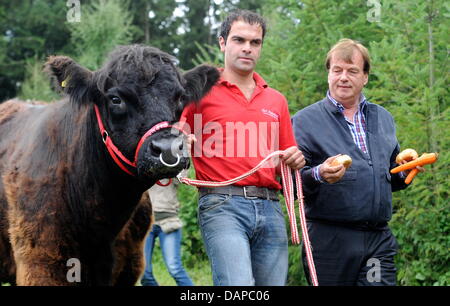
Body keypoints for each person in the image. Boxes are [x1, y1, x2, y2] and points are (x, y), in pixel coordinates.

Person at [180, 10, 305, 286]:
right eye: (239, 40)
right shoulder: (199, 91)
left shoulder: (276, 100)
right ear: (222, 43)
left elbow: (288, 152)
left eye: (255, 42)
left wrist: (296, 157)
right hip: (222, 203)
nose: (247, 48)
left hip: (271, 206)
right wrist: (181, 143)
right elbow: (174, 138)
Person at [292, 38, 420, 286]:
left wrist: (405, 172)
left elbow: (388, 176)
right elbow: (289, 183)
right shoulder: (304, 121)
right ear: (328, 74)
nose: (343, 77)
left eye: (352, 71)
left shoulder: (383, 118)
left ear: (365, 77)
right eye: (337, 70)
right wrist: (318, 173)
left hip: (377, 238)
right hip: (330, 240)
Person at [140, 179, 194, 286]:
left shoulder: (172, 171)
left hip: (169, 222)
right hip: (145, 222)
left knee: (174, 268)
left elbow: (183, 170)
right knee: (144, 272)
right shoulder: (143, 169)